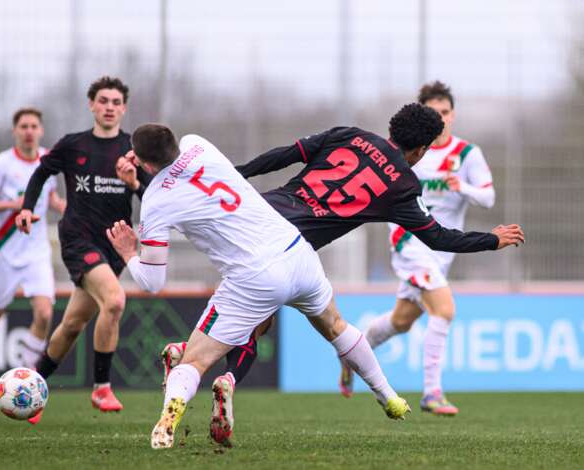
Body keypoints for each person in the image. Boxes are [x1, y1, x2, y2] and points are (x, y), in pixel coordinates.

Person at [148, 103, 524, 442]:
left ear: (392, 127)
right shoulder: (403, 185)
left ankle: (195, 358)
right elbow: (438, 237)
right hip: (290, 250)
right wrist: (491, 240)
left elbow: (284, 155)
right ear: (422, 150)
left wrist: (237, 175)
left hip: (255, 219)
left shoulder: (350, 135)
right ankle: (218, 372)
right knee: (320, 323)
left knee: (255, 321)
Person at [108, 124, 410, 450]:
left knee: (193, 362)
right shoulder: (198, 144)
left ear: (143, 162)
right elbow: (178, 171)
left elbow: (153, 282)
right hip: (297, 251)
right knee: (337, 326)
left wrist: (128, 253)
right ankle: (390, 398)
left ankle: (167, 421)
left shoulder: (154, 201)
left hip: (254, 277)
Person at [357, 82, 496, 416]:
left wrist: (462, 187)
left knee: (401, 321)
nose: (442, 119)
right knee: (444, 310)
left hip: (443, 249)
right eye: (435, 113)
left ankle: (353, 350)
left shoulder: (467, 154)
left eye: (446, 112)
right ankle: (432, 393)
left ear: (453, 114)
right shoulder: (410, 151)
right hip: (409, 242)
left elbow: (489, 198)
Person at [15, 76, 149, 421]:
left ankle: (33, 388)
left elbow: (153, 196)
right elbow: (40, 173)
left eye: (116, 102)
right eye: (103, 101)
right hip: (78, 239)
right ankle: (101, 387)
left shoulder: (132, 150)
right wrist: (27, 207)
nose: (109, 107)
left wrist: (134, 183)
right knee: (115, 300)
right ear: (91, 105)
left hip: (114, 245)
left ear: (124, 108)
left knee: (72, 324)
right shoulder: (73, 145)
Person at [0, 108, 66, 411]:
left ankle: (26, 379)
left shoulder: (48, 160)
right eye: (23, 126)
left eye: (34, 126)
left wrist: (69, 209)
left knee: (44, 314)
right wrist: (15, 204)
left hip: (37, 253)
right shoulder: (1, 165)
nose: (29, 131)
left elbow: (51, 198)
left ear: (41, 130)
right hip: (5, 254)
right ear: (15, 131)